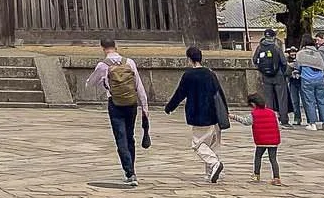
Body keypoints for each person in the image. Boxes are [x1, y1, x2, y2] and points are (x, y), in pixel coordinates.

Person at [79, 37, 148, 186]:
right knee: (130, 137)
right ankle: (132, 169)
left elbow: (90, 83)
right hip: (131, 103)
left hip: (115, 104)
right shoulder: (129, 62)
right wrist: (145, 107)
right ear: (116, 46)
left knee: (120, 137)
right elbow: (139, 86)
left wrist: (102, 82)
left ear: (102, 48)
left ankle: (129, 172)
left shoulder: (103, 65)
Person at [163, 44, 228, 183]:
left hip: (199, 115)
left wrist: (169, 107)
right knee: (212, 145)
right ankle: (211, 173)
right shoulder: (210, 74)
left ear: (189, 59)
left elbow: (179, 94)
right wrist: (225, 113)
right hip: (214, 114)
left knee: (198, 144)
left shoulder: (189, 75)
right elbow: (219, 94)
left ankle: (214, 164)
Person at [252, 28, 294, 126]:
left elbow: (254, 60)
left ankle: (270, 119)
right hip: (278, 75)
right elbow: (283, 62)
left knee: (268, 99)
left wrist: (262, 70)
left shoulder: (260, 47)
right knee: (282, 98)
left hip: (265, 76)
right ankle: (284, 120)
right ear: (273, 36)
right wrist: (285, 72)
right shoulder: (276, 47)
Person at [292, 38, 324, 130]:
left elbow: (297, 66)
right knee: (322, 101)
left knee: (309, 101)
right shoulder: (319, 53)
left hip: (307, 79)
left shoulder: (300, 53)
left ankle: (313, 123)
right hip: (320, 79)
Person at [247, 91, 283, 184]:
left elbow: (246, 122)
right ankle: (276, 177)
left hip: (261, 140)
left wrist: (232, 116)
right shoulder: (272, 112)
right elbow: (279, 126)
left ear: (253, 104)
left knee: (258, 157)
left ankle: (256, 175)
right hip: (274, 141)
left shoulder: (254, 113)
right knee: (273, 159)